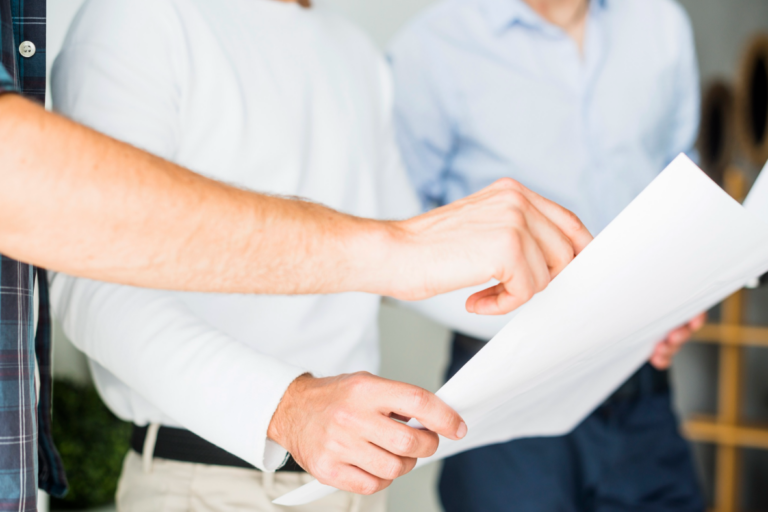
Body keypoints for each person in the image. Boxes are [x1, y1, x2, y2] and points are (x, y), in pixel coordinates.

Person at [0, 0, 594, 509]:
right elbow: (93, 291)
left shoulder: (354, 53)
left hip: (353, 483)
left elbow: (416, 263)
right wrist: (287, 405)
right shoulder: (140, 17)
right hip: (207, 485)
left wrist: (602, 307)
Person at [390, 0, 707, 510]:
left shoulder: (660, 22)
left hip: (640, 387)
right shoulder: (429, 48)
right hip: (509, 397)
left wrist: (691, 285)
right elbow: (399, 242)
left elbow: (683, 186)